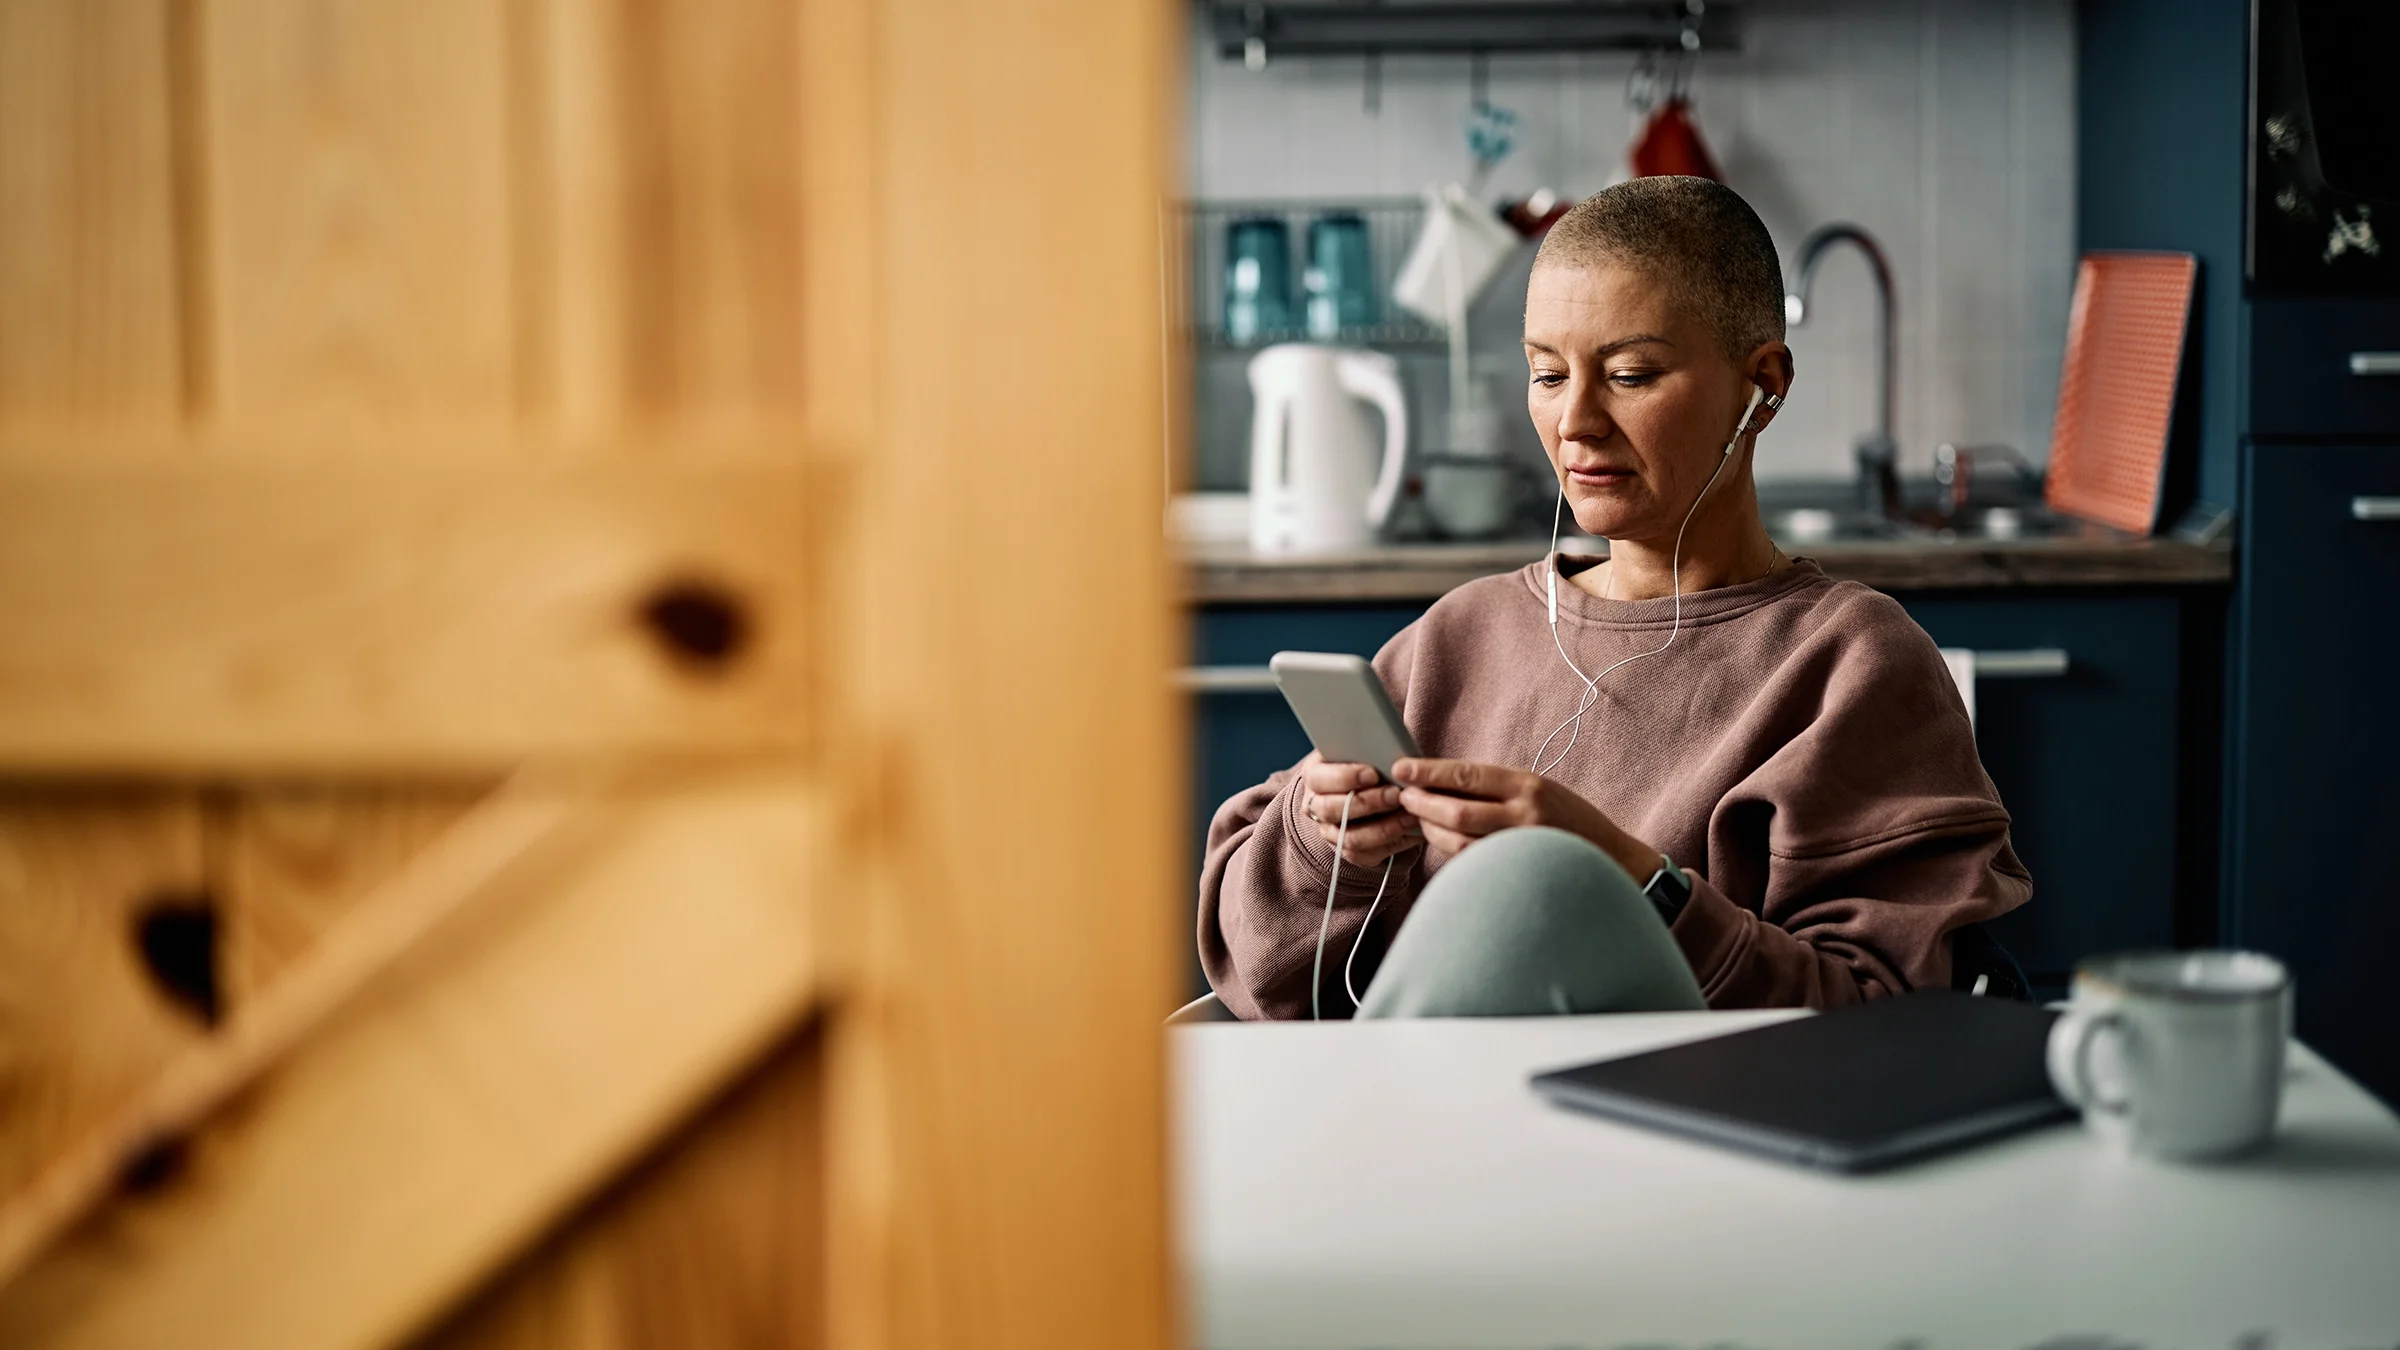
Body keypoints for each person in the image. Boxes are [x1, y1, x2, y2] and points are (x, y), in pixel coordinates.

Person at [1198, 176, 2030, 1021]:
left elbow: (1886, 1022)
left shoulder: (1850, 665)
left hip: (1697, 1104)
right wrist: (1323, 840)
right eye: (1547, 374)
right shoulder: (1458, 638)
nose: (1576, 422)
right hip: (1428, 1100)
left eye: (1630, 375)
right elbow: (1252, 973)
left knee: (1535, 880)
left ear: (1763, 386)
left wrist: (1624, 878)